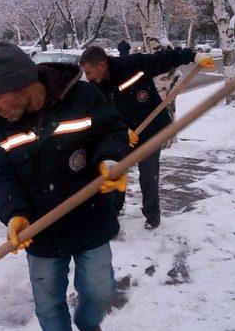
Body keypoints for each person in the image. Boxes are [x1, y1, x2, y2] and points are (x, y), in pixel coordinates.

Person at [0, 42, 130, 331]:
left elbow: (113, 131)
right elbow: (1, 174)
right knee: (48, 300)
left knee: (100, 289)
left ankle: (90, 326)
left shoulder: (83, 98)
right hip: (41, 231)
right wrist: (14, 214)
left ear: (22, 86)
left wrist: (109, 159)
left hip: (90, 219)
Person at [79, 46, 215, 229]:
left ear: (101, 65)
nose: (87, 77)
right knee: (115, 171)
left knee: (149, 174)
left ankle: (152, 215)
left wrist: (193, 56)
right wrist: (121, 130)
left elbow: (164, 58)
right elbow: (100, 116)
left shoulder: (132, 65)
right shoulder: (95, 88)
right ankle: (113, 212)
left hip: (150, 131)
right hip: (122, 135)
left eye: (88, 72)